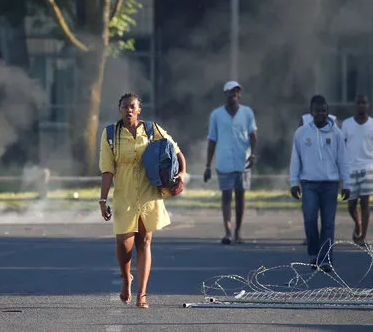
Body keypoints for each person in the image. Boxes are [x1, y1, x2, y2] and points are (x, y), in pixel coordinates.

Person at [99, 92, 186, 309]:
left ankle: (142, 294)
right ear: (119, 110)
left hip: (149, 192)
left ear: (139, 110)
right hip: (124, 193)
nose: (128, 110)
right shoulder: (110, 134)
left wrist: (181, 173)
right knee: (124, 244)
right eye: (125, 106)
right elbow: (107, 170)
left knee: (144, 242)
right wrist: (102, 199)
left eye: (132, 106)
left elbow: (176, 150)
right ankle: (126, 278)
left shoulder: (151, 130)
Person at [289, 95, 350, 272]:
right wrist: (294, 182)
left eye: (324, 111)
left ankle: (325, 260)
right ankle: (314, 253)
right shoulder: (302, 133)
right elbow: (295, 159)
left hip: (330, 184)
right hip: (309, 184)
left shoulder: (336, 133)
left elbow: (343, 160)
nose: (321, 114)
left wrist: (347, 183)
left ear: (328, 112)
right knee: (309, 220)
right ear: (311, 112)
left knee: (328, 223)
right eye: (317, 111)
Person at [204, 81, 257, 245]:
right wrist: (208, 165)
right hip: (224, 161)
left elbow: (253, 134)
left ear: (239, 94)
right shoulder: (217, 115)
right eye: (230, 92)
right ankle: (227, 231)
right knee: (226, 195)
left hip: (243, 161)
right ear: (225, 94)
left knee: (240, 196)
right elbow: (212, 140)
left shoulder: (247, 113)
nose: (234, 94)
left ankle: (238, 231)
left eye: (236, 91)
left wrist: (253, 154)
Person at [340, 94, 373, 246]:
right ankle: (357, 223)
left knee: (365, 202)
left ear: (369, 106)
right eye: (358, 103)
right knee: (351, 204)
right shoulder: (346, 124)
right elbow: (341, 148)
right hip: (350, 168)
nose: (361, 106)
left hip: (368, 167)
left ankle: (363, 236)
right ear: (355, 105)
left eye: (364, 103)